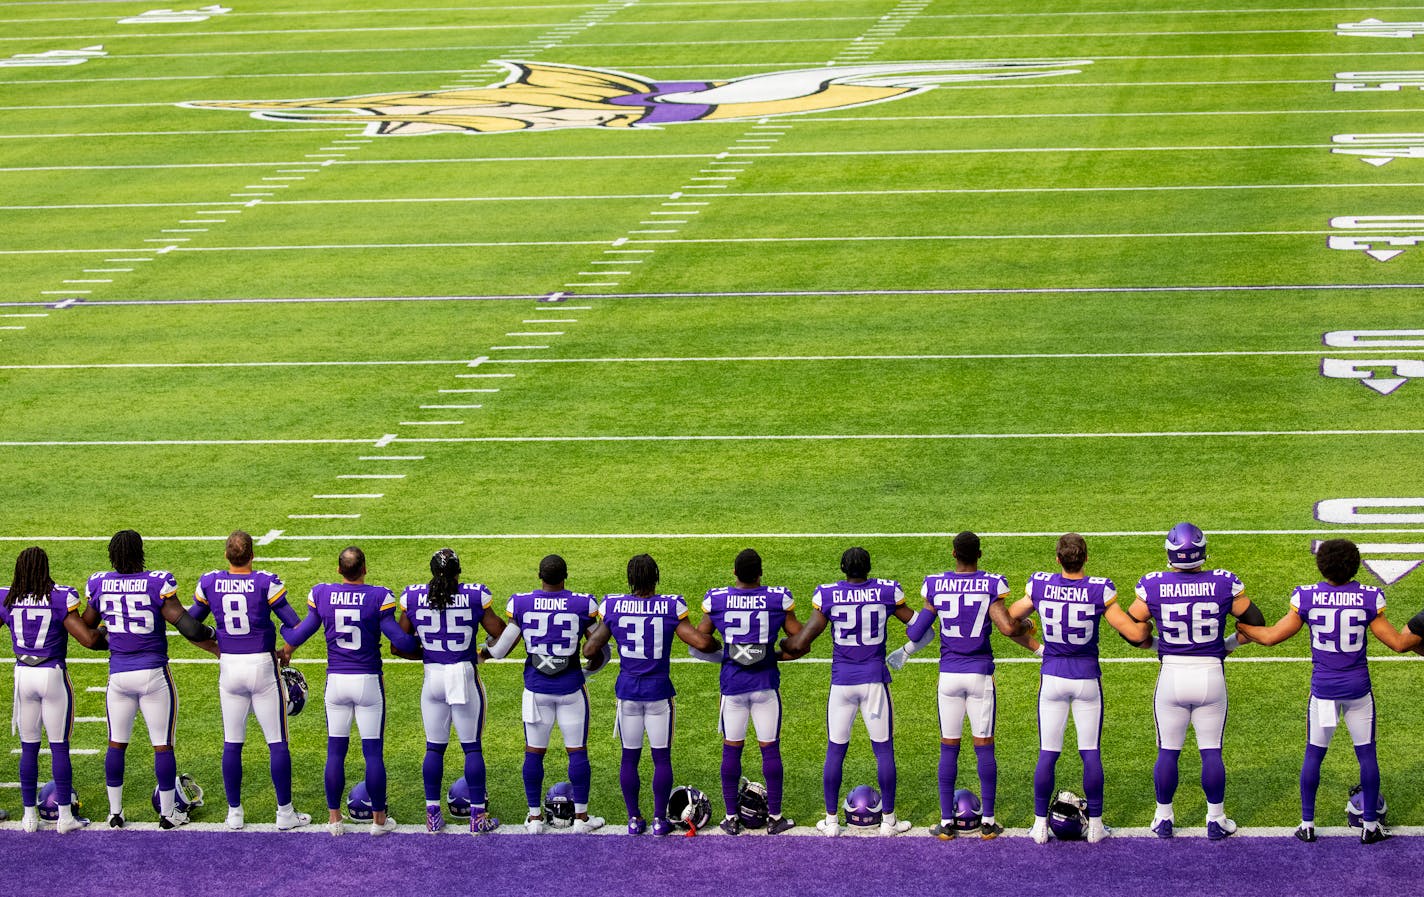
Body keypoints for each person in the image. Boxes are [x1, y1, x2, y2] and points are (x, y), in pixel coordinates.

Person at [1235, 538, 1421, 844]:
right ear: (1356, 565)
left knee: (1314, 755)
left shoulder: (1306, 597)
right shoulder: (1369, 597)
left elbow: (1269, 638)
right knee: (1366, 756)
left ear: (1321, 565)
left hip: (1323, 690)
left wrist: (1243, 628)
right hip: (1358, 690)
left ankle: (1307, 823)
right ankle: (1370, 825)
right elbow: (1399, 644)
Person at [888, 531, 1039, 840]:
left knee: (949, 746)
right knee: (984, 746)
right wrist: (1028, 628)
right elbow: (1008, 626)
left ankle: (945, 822)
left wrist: (908, 643)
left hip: (950, 676)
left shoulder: (935, 585)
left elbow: (917, 632)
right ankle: (988, 821)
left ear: (953, 554)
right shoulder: (991, 583)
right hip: (980, 674)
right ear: (979, 555)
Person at [1008, 533, 1149, 844]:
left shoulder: (1041, 586)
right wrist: (1151, 627)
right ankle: (1096, 825)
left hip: (1053, 676)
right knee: (1090, 752)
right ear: (1085, 558)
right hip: (1086, 678)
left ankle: (1039, 824)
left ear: (1058, 560)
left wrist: (1031, 635)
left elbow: (1010, 619)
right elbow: (1132, 631)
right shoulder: (1099, 589)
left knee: (1048, 753)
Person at [1128, 522, 1263, 840]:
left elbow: (1132, 626)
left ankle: (1163, 818)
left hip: (1172, 673)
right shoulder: (1224, 581)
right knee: (1211, 751)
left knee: (1168, 751)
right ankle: (1216, 819)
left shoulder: (1153, 584)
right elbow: (1255, 622)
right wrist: (1227, 645)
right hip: (1210, 674)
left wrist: (1156, 645)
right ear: (1202, 551)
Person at [280, 546, 421, 836]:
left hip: (337, 682)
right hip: (368, 681)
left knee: (335, 752)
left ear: (338, 570)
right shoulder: (378, 596)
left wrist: (283, 635)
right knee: (373, 754)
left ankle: (334, 820)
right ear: (365, 568)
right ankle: (379, 821)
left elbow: (298, 634)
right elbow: (403, 643)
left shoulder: (322, 593)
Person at [83, 529, 217, 830]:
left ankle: (115, 813)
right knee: (162, 745)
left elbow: (88, 633)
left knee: (116, 744)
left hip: (118, 676)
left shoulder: (100, 583)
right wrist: (216, 636)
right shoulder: (156, 582)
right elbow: (191, 629)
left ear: (112, 555)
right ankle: (168, 814)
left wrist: (113, 633)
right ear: (140, 552)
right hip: (153, 673)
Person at [782, 546, 916, 837]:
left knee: (835, 750)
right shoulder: (886, 592)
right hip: (874, 681)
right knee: (883, 750)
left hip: (842, 682)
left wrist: (776, 649)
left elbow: (801, 640)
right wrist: (907, 650)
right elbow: (919, 626)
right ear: (869, 567)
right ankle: (889, 821)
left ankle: (831, 822)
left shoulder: (828, 595)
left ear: (843, 568)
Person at [582, 554, 718, 835]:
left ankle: (634, 819)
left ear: (630, 579)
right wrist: (718, 640)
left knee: (629, 757)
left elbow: (590, 649)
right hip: (658, 693)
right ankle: (658, 819)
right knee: (661, 758)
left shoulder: (615, 606)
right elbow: (700, 642)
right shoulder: (669, 607)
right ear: (656, 578)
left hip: (628, 692)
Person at [190, 530, 310, 831]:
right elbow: (294, 624)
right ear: (252, 555)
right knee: (277, 742)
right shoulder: (264, 582)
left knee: (232, 742)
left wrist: (214, 647)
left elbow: (191, 625)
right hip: (261, 664)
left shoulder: (210, 582)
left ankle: (235, 813)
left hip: (230, 666)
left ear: (226, 556)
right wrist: (287, 648)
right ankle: (284, 814)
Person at [483, 554, 604, 833]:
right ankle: (581, 819)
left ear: (540, 576)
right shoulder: (581, 604)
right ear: (566, 576)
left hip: (536, 691)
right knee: (577, 752)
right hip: (571, 688)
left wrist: (482, 653)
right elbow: (600, 651)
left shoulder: (522, 603)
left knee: (534, 753)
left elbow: (500, 650)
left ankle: (535, 818)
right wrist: (585, 672)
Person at [398, 547, 506, 834]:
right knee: (471, 747)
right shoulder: (473, 596)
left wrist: (426, 655)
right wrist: (485, 652)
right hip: (462, 674)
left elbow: (399, 644)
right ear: (459, 572)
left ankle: (432, 814)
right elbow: (501, 633)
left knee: (434, 747)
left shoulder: (413, 596)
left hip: (432, 675)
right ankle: (477, 817)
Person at [2, 547, 106, 833]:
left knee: (29, 747)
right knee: (59, 746)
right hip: (52, 674)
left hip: (23, 675)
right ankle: (64, 817)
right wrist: (111, 636)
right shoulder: (59, 597)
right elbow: (86, 638)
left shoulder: (7, 597)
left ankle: (29, 817)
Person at [695, 548, 799, 835]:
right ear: (761, 573)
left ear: (734, 573)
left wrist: (728, 651)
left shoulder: (718, 599)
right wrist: (774, 653)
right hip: (765, 684)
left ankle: (731, 817)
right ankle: (775, 817)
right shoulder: (776, 599)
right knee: (770, 749)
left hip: (734, 686)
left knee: (732, 749)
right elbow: (799, 639)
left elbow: (702, 640)